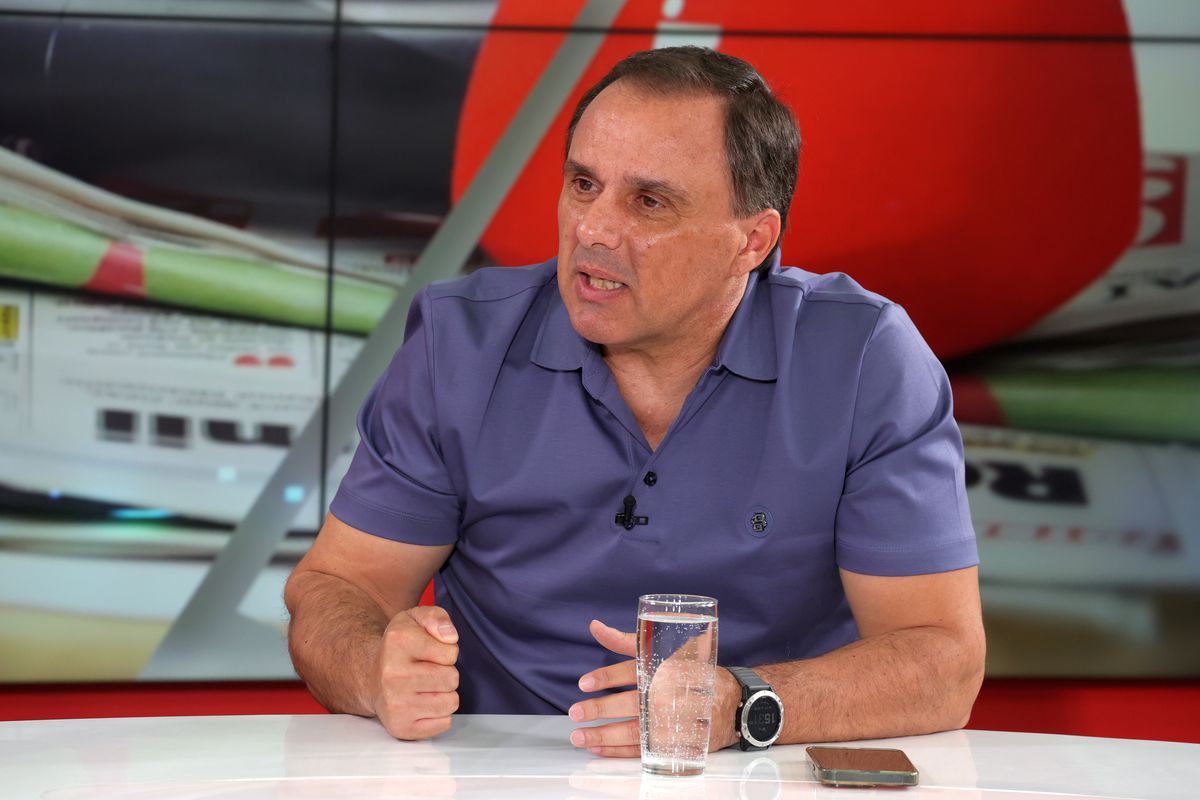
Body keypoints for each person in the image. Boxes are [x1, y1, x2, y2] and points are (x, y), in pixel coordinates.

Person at [284, 46, 985, 756]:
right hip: (498, 767)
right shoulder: (460, 344)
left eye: (649, 202)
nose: (592, 229)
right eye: (583, 184)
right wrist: (374, 670)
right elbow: (338, 587)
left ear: (753, 240)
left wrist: (741, 704)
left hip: (757, 773)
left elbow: (943, 660)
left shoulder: (864, 359)